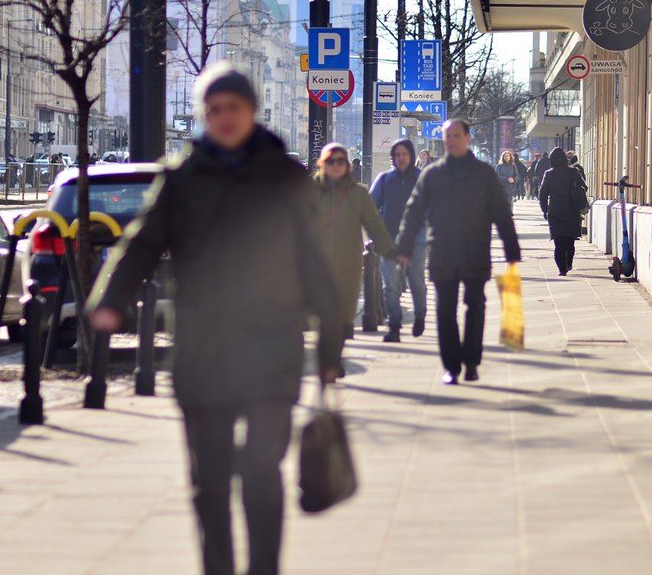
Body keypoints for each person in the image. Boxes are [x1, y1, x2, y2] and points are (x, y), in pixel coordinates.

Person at [85, 63, 346, 575]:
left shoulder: (286, 177)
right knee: (209, 481)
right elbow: (142, 242)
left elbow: (316, 263)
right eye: (213, 110)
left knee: (260, 475)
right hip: (204, 350)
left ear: (252, 111)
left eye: (233, 108)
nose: (223, 118)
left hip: (272, 350)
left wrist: (330, 349)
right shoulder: (183, 176)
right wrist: (109, 298)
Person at [395, 119, 521, 385]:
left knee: (475, 307)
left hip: (475, 251)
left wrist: (511, 249)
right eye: (447, 136)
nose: (450, 140)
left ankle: (472, 362)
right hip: (442, 252)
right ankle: (451, 366)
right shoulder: (433, 174)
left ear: (467, 138)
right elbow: (413, 212)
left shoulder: (484, 174)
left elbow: (501, 213)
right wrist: (404, 247)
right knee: (445, 310)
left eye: (456, 135)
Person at [312, 143, 396, 343]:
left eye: (341, 161)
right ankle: (329, 365)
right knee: (323, 314)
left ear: (347, 165)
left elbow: (374, 223)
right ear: (322, 164)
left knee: (344, 315)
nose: (336, 165)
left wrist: (388, 251)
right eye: (331, 161)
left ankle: (335, 357)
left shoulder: (358, 193)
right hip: (318, 262)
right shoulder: (309, 191)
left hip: (349, 261)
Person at [369, 139, 427, 342]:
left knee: (416, 282)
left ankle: (420, 315)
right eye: (397, 154)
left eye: (405, 154)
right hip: (389, 239)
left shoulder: (422, 178)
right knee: (390, 285)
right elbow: (370, 207)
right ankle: (394, 324)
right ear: (393, 157)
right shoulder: (385, 179)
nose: (401, 158)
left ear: (411, 156)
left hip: (417, 241)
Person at [538, 147, 588, 276]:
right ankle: (569, 263)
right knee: (570, 241)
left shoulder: (549, 173)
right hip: (572, 210)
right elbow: (584, 186)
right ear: (566, 159)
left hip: (555, 211)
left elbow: (542, 194)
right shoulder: (573, 172)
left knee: (558, 242)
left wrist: (544, 209)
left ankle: (562, 269)